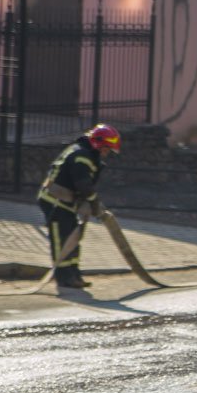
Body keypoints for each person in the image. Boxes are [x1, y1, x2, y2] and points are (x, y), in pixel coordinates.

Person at [36, 123, 121, 289]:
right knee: (62, 239)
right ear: (98, 144)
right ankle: (65, 278)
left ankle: (73, 274)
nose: (107, 153)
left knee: (73, 236)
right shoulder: (82, 156)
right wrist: (94, 202)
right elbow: (83, 184)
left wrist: (91, 202)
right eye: (106, 149)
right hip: (54, 202)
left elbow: (81, 186)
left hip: (65, 201)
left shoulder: (85, 152)